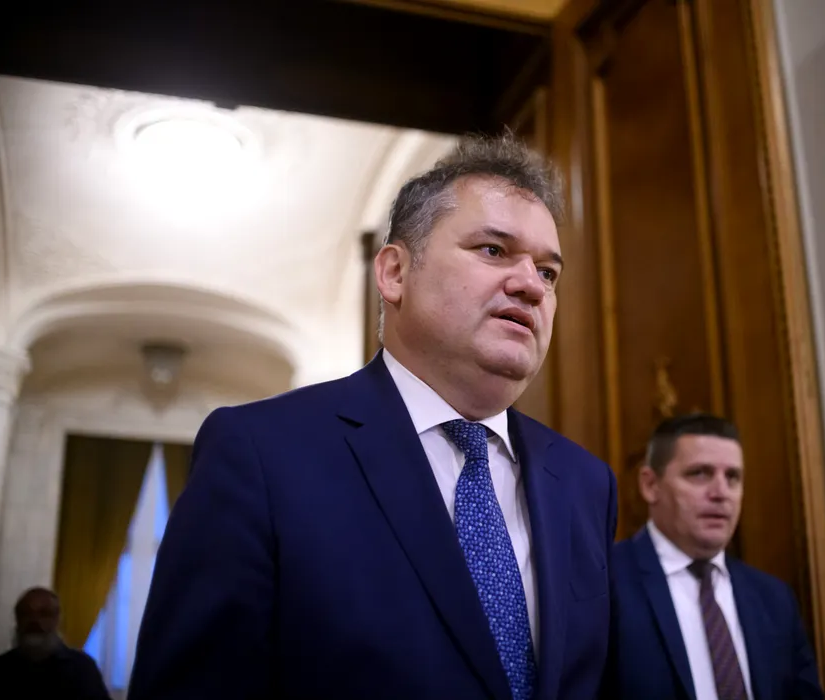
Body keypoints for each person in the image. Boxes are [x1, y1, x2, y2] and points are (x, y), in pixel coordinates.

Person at [128, 133, 618, 700]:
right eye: (492, 250)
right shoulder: (260, 454)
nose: (531, 285)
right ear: (394, 274)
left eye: (549, 273)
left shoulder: (585, 483)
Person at [607, 414, 823, 700]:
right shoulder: (602, 582)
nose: (721, 493)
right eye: (700, 473)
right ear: (650, 485)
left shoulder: (774, 599)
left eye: (732, 477)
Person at [0, 587, 110, 700]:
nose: (34, 621)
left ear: (57, 619)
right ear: (17, 620)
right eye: (26, 613)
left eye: (44, 614)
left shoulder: (82, 668)